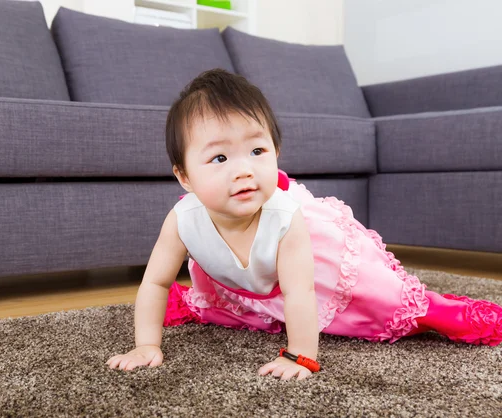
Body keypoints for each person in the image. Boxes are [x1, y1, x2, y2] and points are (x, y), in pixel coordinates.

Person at [106, 69, 502, 380]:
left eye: (257, 150)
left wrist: (301, 356)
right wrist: (145, 345)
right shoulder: (182, 221)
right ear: (185, 177)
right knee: (227, 306)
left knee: (384, 305)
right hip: (248, 284)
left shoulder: (284, 217)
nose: (244, 170)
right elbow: (156, 282)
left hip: (313, 273)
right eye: (219, 159)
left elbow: (299, 293)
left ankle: (441, 311)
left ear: (275, 152)